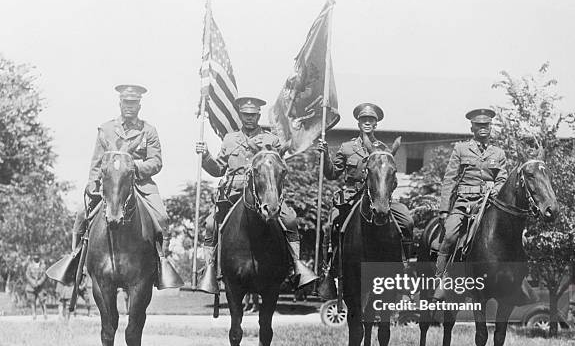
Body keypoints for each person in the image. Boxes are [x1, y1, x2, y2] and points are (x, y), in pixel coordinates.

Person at [71, 84, 181, 289]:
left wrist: (133, 169)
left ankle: (161, 264)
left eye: (133, 103)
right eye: (126, 102)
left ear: (139, 105)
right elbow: (96, 163)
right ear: (119, 103)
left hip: (140, 184)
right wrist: (92, 183)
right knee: (80, 214)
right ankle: (76, 262)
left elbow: (156, 161)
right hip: (110, 185)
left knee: (163, 218)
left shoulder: (148, 130)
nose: (129, 106)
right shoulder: (106, 129)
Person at [196, 97, 308, 289]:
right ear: (241, 115)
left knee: (289, 219)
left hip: (264, 192)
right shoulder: (230, 139)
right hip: (233, 192)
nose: (249, 118)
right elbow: (218, 169)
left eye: (253, 115)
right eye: (246, 115)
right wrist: (205, 156)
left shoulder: (270, 140)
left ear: (258, 116)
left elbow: (279, 166)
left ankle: (296, 267)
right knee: (210, 224)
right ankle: (210, 269)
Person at [317, 103, 414, 294]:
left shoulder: (383, 149)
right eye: (364, 120)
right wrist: (324, 155)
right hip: (352, 196)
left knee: (407, 221)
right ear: (358, 123)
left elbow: (389, 175)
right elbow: (332, 174)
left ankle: (404, 266)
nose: (367, 123)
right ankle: (329, 271)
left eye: (371, 120)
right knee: (331, 226)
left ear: (376, 124)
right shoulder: (346, 148)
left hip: (380, 197)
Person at [434, 108, 508, 300]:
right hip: (463, 204)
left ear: (491, 128)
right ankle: (441, 279)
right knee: (450, 235)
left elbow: (502, 178)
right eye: (479, 125)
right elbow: (449, 179)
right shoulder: (461, 149)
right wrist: (444, 210)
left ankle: (513, 280)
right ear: (472, 128)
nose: (483, 129)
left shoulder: (498, 153)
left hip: (489, 204)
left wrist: (495, 191)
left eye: (486, 125)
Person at [24, 253, 47, 320]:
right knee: (32, 300)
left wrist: (39, 282)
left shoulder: (43, 266)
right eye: (35, 257)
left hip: (41, 287)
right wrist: (32, 282)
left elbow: (45, 275)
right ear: (33, 258)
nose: (36, 258)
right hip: (31, 286)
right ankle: (34, 314)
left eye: (37, 257)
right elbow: (27, 275)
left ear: (39, 257)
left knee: (42, 300)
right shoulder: (29, 266)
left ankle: (45, 313)